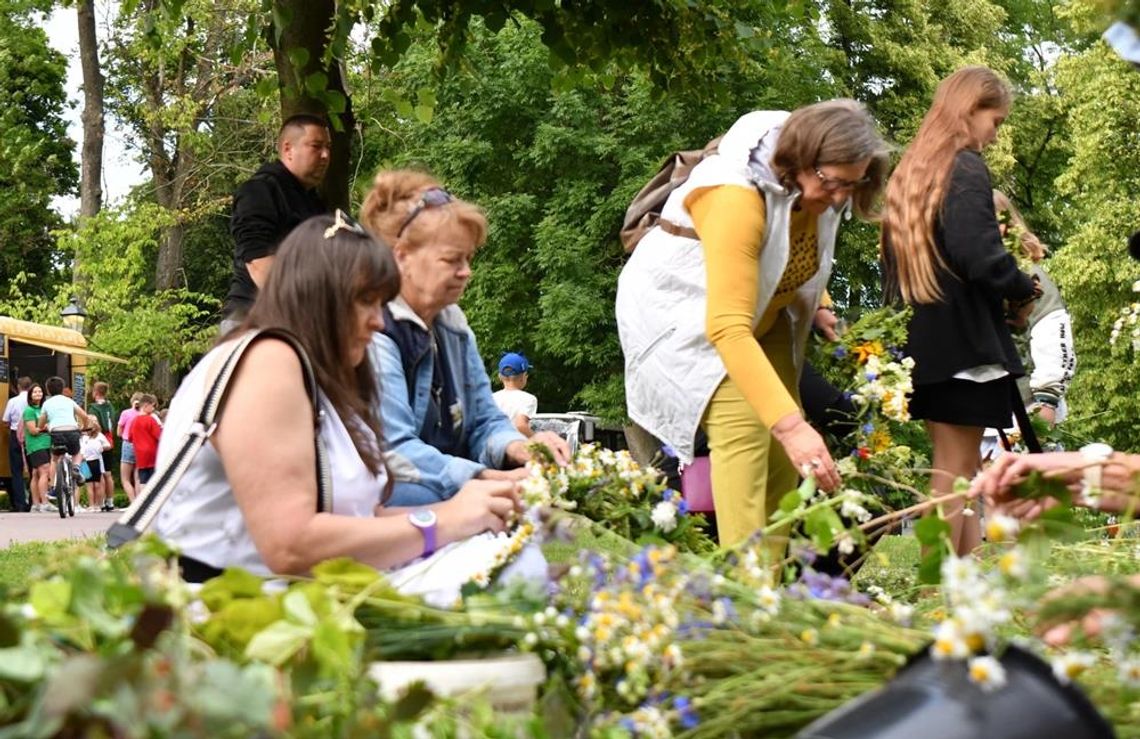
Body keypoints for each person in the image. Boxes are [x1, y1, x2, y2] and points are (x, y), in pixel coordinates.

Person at [152, 212, 529, 583]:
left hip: (300, 598)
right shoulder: (268, 362)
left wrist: (469, 513)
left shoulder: (318, 380)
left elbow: (364, 521)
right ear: (319, 296)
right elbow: (290, 546)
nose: (380, 321)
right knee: (513, 575)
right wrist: (443, 522)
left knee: (512, 557)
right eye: (365, 300)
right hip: (229, 611)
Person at [616, 100, 890, 552]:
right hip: (685, 322)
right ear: (800, 161)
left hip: (765, 314)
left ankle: (770, 589)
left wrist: (818, 301)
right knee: (747, 428)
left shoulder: (820, 184)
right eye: (834, 183)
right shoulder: (733, 197)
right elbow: (726, 325)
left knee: (785, 458)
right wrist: (791, 429)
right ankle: (742, 603)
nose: (842, 197)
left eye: (854, 184)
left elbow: (794, 247)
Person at [880, 66, 1039, 556]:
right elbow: (979, 254)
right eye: (995, 121)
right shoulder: (964, 166)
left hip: (925, 346)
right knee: (952, 475)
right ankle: (936, 588)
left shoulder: (913, 171)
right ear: (970, 110)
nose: (994, 135)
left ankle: (962, 578)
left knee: (955, 471)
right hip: (965, 343)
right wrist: (1021, 286)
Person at [359, 170, 571, 507]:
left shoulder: (453, 324)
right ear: (402, 256)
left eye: (468, 258)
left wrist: (520, 448)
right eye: (451, 259)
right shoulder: (373, 331)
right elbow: (395, 451)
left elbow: (484, 421)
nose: (466, 271)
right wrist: (487, 479)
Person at [222, 114, 331, 331]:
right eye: (316, 146)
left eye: (328, 147)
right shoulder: (258, 191)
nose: (326, 155)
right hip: (255, 322)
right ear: (288, 149)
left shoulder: (313, 202)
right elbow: (258, 263)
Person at [994, 190, 1076, 425]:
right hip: (977, 414)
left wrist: (1045, 407)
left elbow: (1052, 334)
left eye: (998, 221)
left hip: (1024, 411)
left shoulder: (1030, 277)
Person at [40, 375, 91, 512]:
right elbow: (84, 416)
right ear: (63, 389)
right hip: (72, 431)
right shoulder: (69, 401)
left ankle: (52, 487)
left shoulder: (47, 403)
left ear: (48, 390)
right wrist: (84, 427)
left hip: (56, 433)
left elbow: (42, 421)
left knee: (54, 459)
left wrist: (42, 427)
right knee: (77, 452)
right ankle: (75, 468)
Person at [22, 383, 52, 512]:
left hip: (46, 444)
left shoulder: (44, 409)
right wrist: (45, 428)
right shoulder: (29, 410)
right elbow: (33, 430)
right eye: (34, 392)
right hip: (36, 445)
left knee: (35, 473)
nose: (38, 394)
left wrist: (44, 428)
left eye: (40, 391)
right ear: (30, 395)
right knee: (44, 470)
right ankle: (44, 502)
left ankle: (35, 504)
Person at [87, 381, 117, 510]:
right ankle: (109, 501)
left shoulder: (94, 408)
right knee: (108, 473)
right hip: (109, 439)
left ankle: (99, 503)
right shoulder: (110, 406)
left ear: (96, 392)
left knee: (100, 473)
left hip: (98, 440)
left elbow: (92, 424)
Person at [493, 352, 538, 438]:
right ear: (523, 377)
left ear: (499, 377)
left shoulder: (491, 398)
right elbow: (521, 425)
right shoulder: (528, 399)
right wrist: (538, 441)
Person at [3, 376, 31, 512]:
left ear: (19, 387)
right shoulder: (34, 401)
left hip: (15, 435)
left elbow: (5, 420)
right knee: (35, 471)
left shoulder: (13, 401)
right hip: (32, 435)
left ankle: (20, 504)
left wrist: (11, 426)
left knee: (16, 471)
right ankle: (34, 502)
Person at [130, 394, 162, 488]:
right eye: (152, 406)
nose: (153, 409)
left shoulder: (134, 421)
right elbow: (159, 436)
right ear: (145, 406)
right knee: (153, 480)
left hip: (139, 454)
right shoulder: (151, 420)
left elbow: (130, 437)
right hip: (152, 453)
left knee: (143, 480)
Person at [80, 420, 112, 511]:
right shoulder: (98, 437)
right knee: (96, 485)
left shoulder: (84, 438)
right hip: (95, 462)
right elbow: (108, 446)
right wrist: (101, 448)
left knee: (90, 485)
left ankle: (92, 505)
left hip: (85, 462)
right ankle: (97, 505)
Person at [118, 392, 142, 501]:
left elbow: (119, 432)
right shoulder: (145, 415)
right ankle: (139, 503)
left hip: (128, 443)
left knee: (125, 478)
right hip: (140, 445)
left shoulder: (125, 413)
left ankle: (133, 502)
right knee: (137, 478)